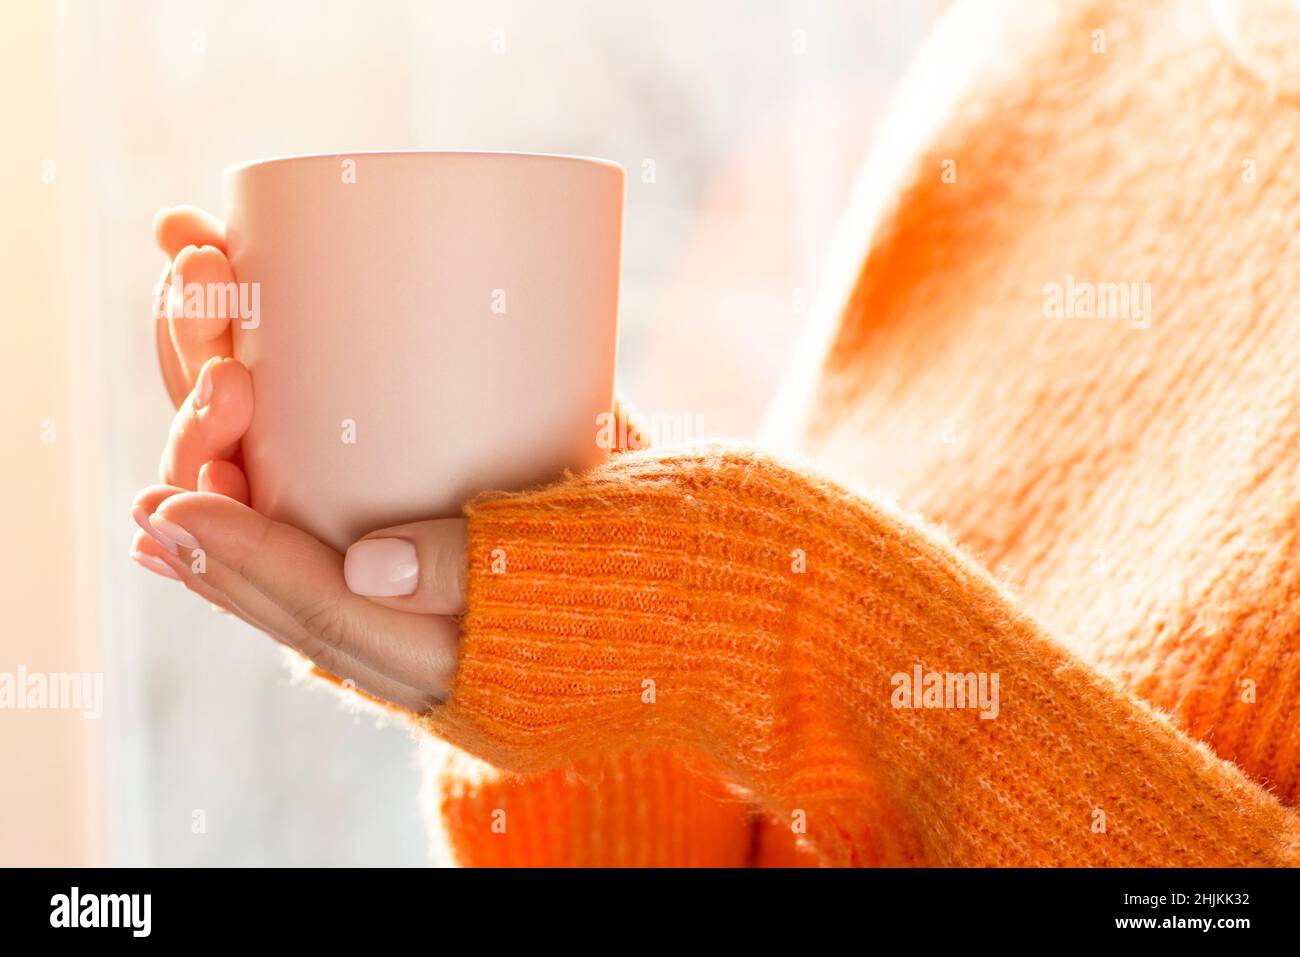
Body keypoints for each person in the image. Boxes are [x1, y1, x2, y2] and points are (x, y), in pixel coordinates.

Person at [130, 0, 1300, 866]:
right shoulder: (1032, 45)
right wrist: (565, 623)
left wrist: (755, 618)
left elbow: (784, 646)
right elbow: (751, 797)